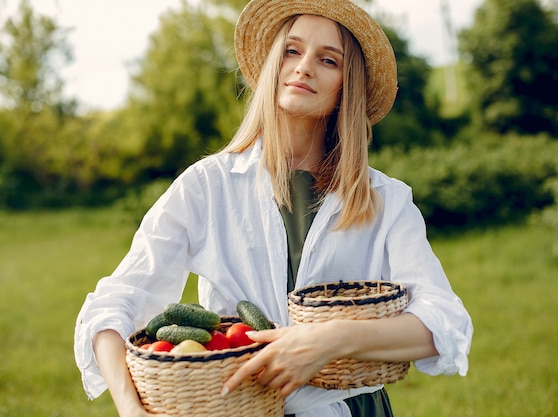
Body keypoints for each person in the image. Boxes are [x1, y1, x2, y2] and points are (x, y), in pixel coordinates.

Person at [74, 0, 473, 416]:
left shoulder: (386, 199)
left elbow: (442, 321)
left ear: (346, 86)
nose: (303, 68)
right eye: (292, 50)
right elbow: (113, 304)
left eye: (328, 60)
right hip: (238, 408)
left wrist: (331, 340)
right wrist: (129, 406)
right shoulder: (207, 186)